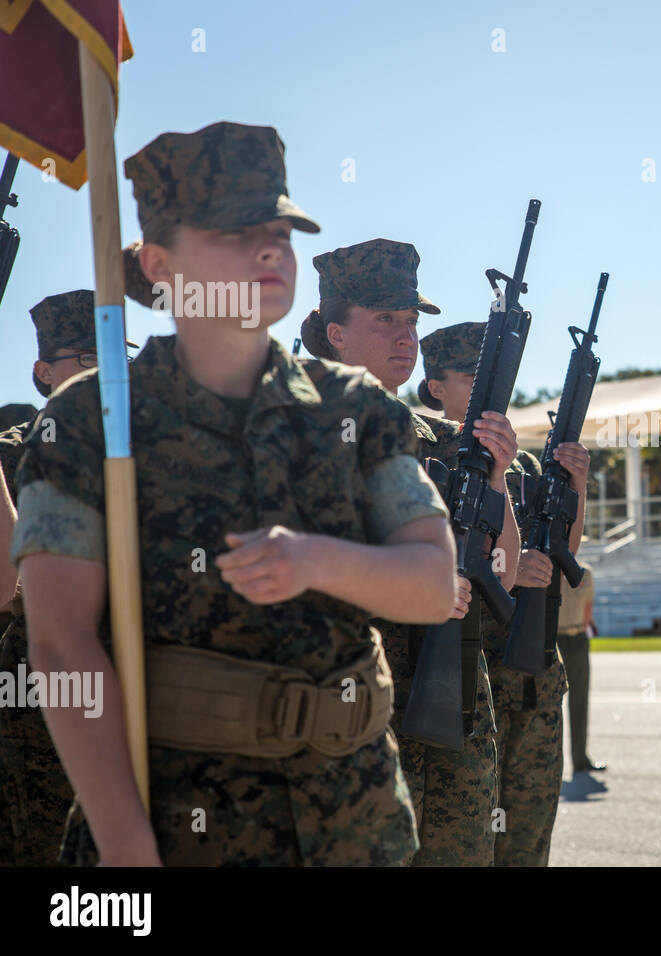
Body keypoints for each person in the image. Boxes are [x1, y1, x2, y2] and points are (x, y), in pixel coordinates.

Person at [11, 121, 458, 866]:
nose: (268, 251)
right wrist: (126, 848)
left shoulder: (357, 409)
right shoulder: (92, 419)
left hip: (357, 825)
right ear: (160, 262)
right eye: (235, 232)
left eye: (281, 231)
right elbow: (60, 647)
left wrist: (315, 559)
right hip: (172, 825)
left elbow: (433, 584)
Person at [298, 243, 520, 867]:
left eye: (411, 322)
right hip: (347, 694)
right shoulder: (294, 428)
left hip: (449, 687)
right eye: (386, 321)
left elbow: (503, 569)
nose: (406, 337)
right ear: (336, 333)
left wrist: (498, 479)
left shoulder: (450, 443)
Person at [419, 321, 589, 866]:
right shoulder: (428, 458)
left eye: (485, 374)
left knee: (527, 837)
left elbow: (566, 551)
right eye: (466, 375)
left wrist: (577, 487)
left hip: (529, 674)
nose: (480, 386)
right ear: (434, 389)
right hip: (470, 668)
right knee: (464, 839)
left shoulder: (525, 464)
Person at [0, 291, 137, 866]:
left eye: (117, 355)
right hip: (39, 703)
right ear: (43, 371)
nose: (106, 371)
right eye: (87, 357)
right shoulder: (12, 456)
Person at [554, 560, 600, 773]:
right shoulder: (551, 568)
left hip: (577, 637)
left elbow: (588, 607)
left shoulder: (585, 573)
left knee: (579, 700)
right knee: (551, 703)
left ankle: (580, 758)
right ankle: (551, 763)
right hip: (555, 638)